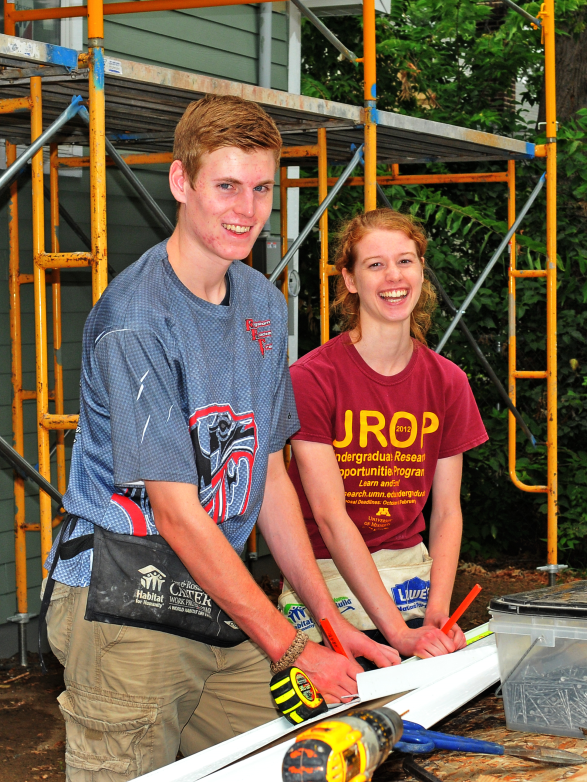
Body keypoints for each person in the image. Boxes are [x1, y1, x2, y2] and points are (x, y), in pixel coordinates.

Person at [42, 96, 399, 782]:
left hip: (211, 590)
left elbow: (267, 475)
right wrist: (293, 650)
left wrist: (325, 620)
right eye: (226, 186)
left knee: (300, 762)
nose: (247, 209)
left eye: (262, 188)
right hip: (124, 596)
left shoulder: (262, 303)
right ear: (182, 183)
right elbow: (176, 513)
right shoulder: (137, 321)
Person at [282, 209, 488, 661]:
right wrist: (396, 632)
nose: (393, 276)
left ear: (420, 270)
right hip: (328, 576)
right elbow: (331, 517)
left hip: (411, 573)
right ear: (350, 280)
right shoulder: (312, 378)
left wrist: (437, 613)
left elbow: (448, 511)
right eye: (375, 264)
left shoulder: (448, 381)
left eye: (405, 261)